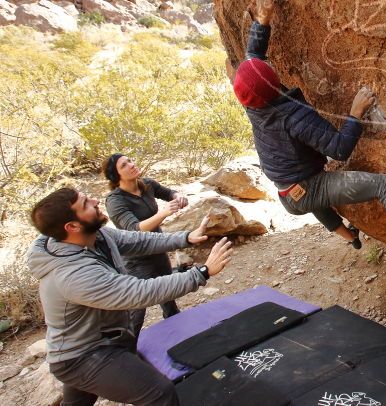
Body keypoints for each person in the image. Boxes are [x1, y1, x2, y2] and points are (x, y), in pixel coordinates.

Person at [231, 0, 386, 268]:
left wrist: (264, 15)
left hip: (287, 194)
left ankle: (349, 237)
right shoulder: (294, 117)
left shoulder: (250, 100)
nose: (266, 64)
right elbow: (339, 148)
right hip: (308, 188)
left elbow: (253, 54)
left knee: (313, 198)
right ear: (273, 85)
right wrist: (355, 112)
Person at [27, 186, 233, 406]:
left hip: (97, 342)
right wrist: (202, 272)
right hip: (84, 356)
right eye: (86, 204)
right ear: (72, 226)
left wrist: (186, 238)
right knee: (160, 393)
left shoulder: (96, 236)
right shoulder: (72, 275)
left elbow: (139, 241)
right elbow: (141, 292)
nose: (96, 201)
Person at [102, 153, 188, 336]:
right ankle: (126, 348)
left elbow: (167, 192)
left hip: (158, 249)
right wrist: (164, 213)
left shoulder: (146, 184)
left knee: (168, 295)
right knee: (137, 309)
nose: (131, 165)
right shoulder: (115, 200)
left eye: (130, 161)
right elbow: (135, 229)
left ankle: (180, 336)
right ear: (115, 176)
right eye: (124, 165)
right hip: (136, 260)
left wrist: (178, 196)